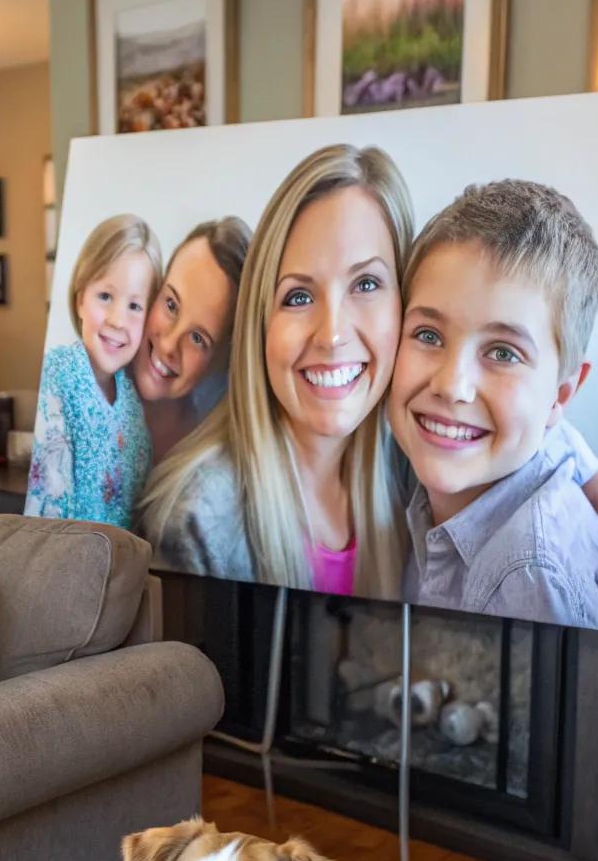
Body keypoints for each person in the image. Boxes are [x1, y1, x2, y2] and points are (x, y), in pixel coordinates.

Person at [139, 145, 414, 597]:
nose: (331, 335)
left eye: (366, 284)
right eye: (298, 297)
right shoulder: (194, 521)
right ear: (260, 324)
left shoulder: (413, 469)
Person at [387, 179, 598, 627]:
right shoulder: (427, 448)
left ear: (561, 395)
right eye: (428, 335)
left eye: (503, 353)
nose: (452, 386)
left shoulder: (527, 575)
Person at [25, 214, 161, 528]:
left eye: (134, 306)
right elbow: (48, 501)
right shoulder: (59, 372)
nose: (117, 319)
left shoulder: (134, 399)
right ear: (80, 300)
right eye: (105, 296)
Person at [131, 217, 251, 464]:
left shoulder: (210, 459)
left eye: (198, 338)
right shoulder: (88, 382)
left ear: (222, 360)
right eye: (171, 304)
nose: (168, 346)